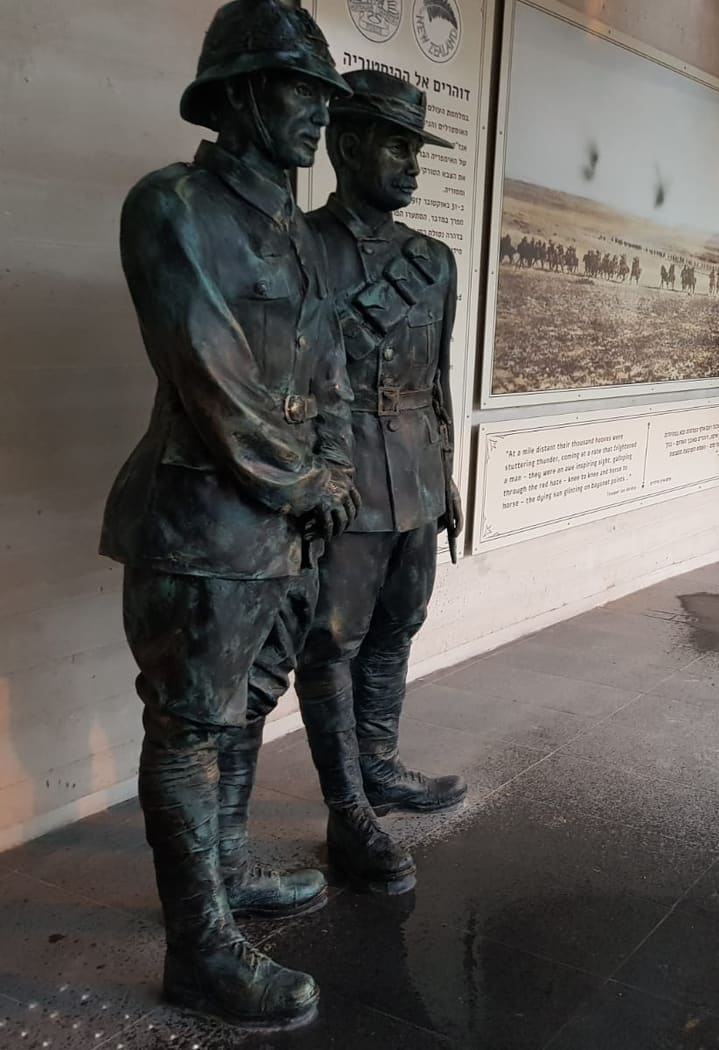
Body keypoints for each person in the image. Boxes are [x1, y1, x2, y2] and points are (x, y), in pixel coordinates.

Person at [99, 0, 356, 1029]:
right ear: (243, 94)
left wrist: (329, 472)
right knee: (190, 727)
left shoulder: (299, 230)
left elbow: (327, 373)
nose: (317, 116)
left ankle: (228, 864)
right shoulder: (169, 205)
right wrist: (301, 483)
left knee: (247, 707)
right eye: (302, 91)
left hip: (283, 526)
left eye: (325, 97)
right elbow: (209, 375)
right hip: (201, 525)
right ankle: (197, 948)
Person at [288, 69, 467, 889]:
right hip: (344, 479)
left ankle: (382, 764)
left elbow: (439, 378)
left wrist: (449, 476)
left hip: (417, 482)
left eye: (417, 149)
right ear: (347, 143)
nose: (413, 165)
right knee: (330, 645)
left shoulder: (435, 261)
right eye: (398, 144)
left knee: (400, 625)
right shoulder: (299, 245)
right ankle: (347, 811)